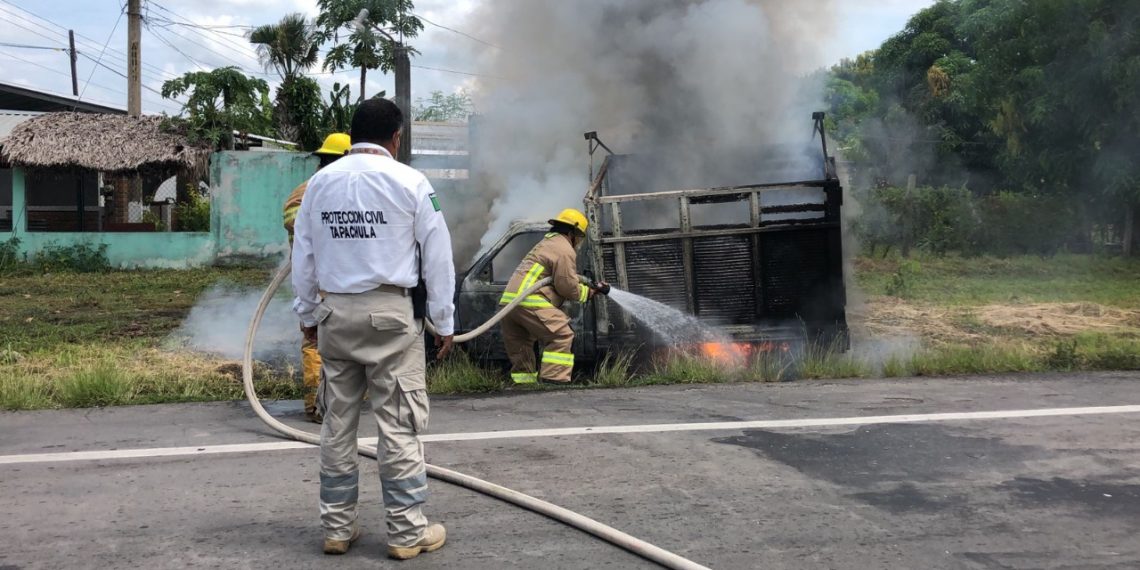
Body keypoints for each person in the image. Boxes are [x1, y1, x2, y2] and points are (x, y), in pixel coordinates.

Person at [291, 98, 455, 560]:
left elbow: (302, 257)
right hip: (391, 317)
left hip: (334, 316)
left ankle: (337, 530)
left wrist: (307, 316)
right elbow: (438, 255)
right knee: (398, 426)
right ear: (397, 137)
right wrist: (443, 321)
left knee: (336, 425)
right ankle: (406, 535)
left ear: (353, 132)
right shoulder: (412, 182)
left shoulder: (318, 185)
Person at [283, 132, 351, 424]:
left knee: (338, 341)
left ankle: (340, 402)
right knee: (317, 342)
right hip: (322, 279)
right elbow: (293, 222)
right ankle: (317, 406)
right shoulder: (316, 189)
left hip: (331, 278)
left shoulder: (318, 187)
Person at [499, 209, 607, 385]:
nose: (579, 242)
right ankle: (553, 383)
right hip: (528, 301)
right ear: (573, 233)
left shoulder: (545, 244)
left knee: (522, 348)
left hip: (509, 303)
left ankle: (524, 387)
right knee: (561, 335)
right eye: (580, 237)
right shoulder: (564, 249)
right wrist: (587, 293)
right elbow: (566, 285)